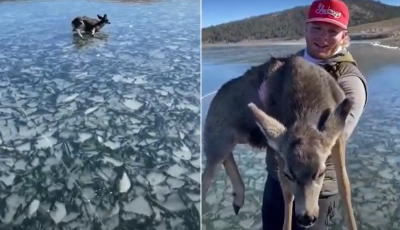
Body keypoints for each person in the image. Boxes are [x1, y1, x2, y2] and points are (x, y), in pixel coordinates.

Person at [261, 0, 368, 229]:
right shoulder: (287, 67)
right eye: (317, 28)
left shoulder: (350, 81)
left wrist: (267, 109)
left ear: (344, 35)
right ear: (306, 28)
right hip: (277, 182)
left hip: (316, 191)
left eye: (332, 31)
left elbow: (332, 137)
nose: (323, 37)